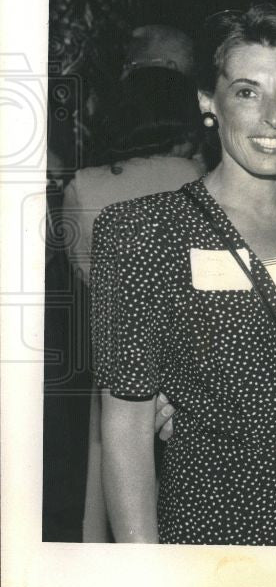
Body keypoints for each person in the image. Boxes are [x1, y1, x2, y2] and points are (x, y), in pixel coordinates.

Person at [90, 4, 276, 544]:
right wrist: (142, 582)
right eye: (247, 92)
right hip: (218, 524)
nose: (273, 118)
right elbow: (126, 427)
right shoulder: (142, 233)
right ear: (208, 102)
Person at [62, 64, 204, 542]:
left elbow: (85, 278)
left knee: (108, 483)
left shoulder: (83, 186)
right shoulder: (194, 177)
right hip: (191, 361)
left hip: (113, 360)